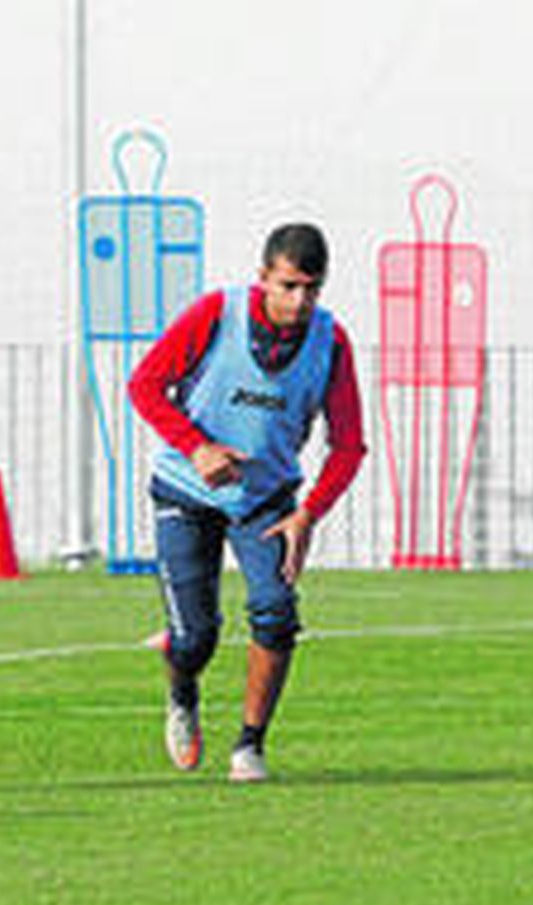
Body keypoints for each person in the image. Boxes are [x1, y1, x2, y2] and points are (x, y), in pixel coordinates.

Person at [128, 223, 366, 782]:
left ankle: (249, 745)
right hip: (186, 492)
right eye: (288, 286)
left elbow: (349, 444)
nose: (299, 300)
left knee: (276, 612)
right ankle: (181, 683)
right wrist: (198, 448)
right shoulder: (216, 315)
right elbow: (144, 384)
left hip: (267, 503)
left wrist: (308, 514)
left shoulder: (330, 342)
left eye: (312, 288)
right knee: (196, 638)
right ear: (263, 278)